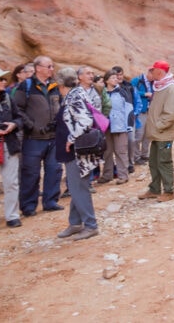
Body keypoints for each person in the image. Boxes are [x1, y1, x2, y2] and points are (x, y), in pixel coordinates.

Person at [13, 55, 64, 216]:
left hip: (53, 137)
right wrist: (32, 126)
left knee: (54, 170)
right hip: (33, 138)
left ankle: (50, 201)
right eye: (48, 66)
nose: (51, 69)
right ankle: (28, 206)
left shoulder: (55, 86)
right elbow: (17, 110)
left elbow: (61, 106)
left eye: (52, 66)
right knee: (30, 173)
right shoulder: (26, 86)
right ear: (38, 68)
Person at [53, 66, 99, 241]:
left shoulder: (74, 96)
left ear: (60, 82)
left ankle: (90, 225)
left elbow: (85, 121)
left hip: (77, 151)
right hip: (76, 150)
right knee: (76, 186)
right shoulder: (75, 94)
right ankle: (75, 223)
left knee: (79, 187)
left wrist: (71, 138)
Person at [139, 61, 174, 202]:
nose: (150, 72)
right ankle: (155, 189)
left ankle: (169, 191)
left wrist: (158, 126)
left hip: (164, 133)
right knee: (153, 162)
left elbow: (170, 113)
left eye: (153, 69)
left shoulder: (171, 88)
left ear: (159, 71)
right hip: (157, 133)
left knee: (164, 161)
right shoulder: (160, 86)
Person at [0, 66, 23, 230]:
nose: (4, 82)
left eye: (4, 79)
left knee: (11, 182)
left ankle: (12, 216)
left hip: (8, 144)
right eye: (0, 79)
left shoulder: (8, 99)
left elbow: (19, 118)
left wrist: (13, 124)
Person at [101, 70, 133, 185]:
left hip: (120, 126)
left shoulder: (122, 92)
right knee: (107, 151)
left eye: (116, 77)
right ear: (106, 80)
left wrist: (129, 126)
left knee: (121, 151)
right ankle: (107, 175)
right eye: (113, 78)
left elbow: (129, 109)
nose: (116, 79)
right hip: (106, 126)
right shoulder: (102, 93)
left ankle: (123, 175)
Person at [112, 66, 137, 173]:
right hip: (117, 119)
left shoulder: (129, 86)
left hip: (129, 118)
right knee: (119, 143)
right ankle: (122, 165)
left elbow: (135, 100)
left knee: (131, 140)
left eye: (121, 74)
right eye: (117, 75)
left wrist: (135, 113)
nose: (119, 77)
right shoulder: (110, 87)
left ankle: (130, 163)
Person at [131, 68, 154, 164]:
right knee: (139, 135)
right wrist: (144, 94)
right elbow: (131, 91)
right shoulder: (137, 81)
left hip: (150, 111)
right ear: (149, 73)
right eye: (153, 74)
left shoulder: (154, 83)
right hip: (140, 111)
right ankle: (136, 156)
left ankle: (145, 154)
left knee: (147, 135)